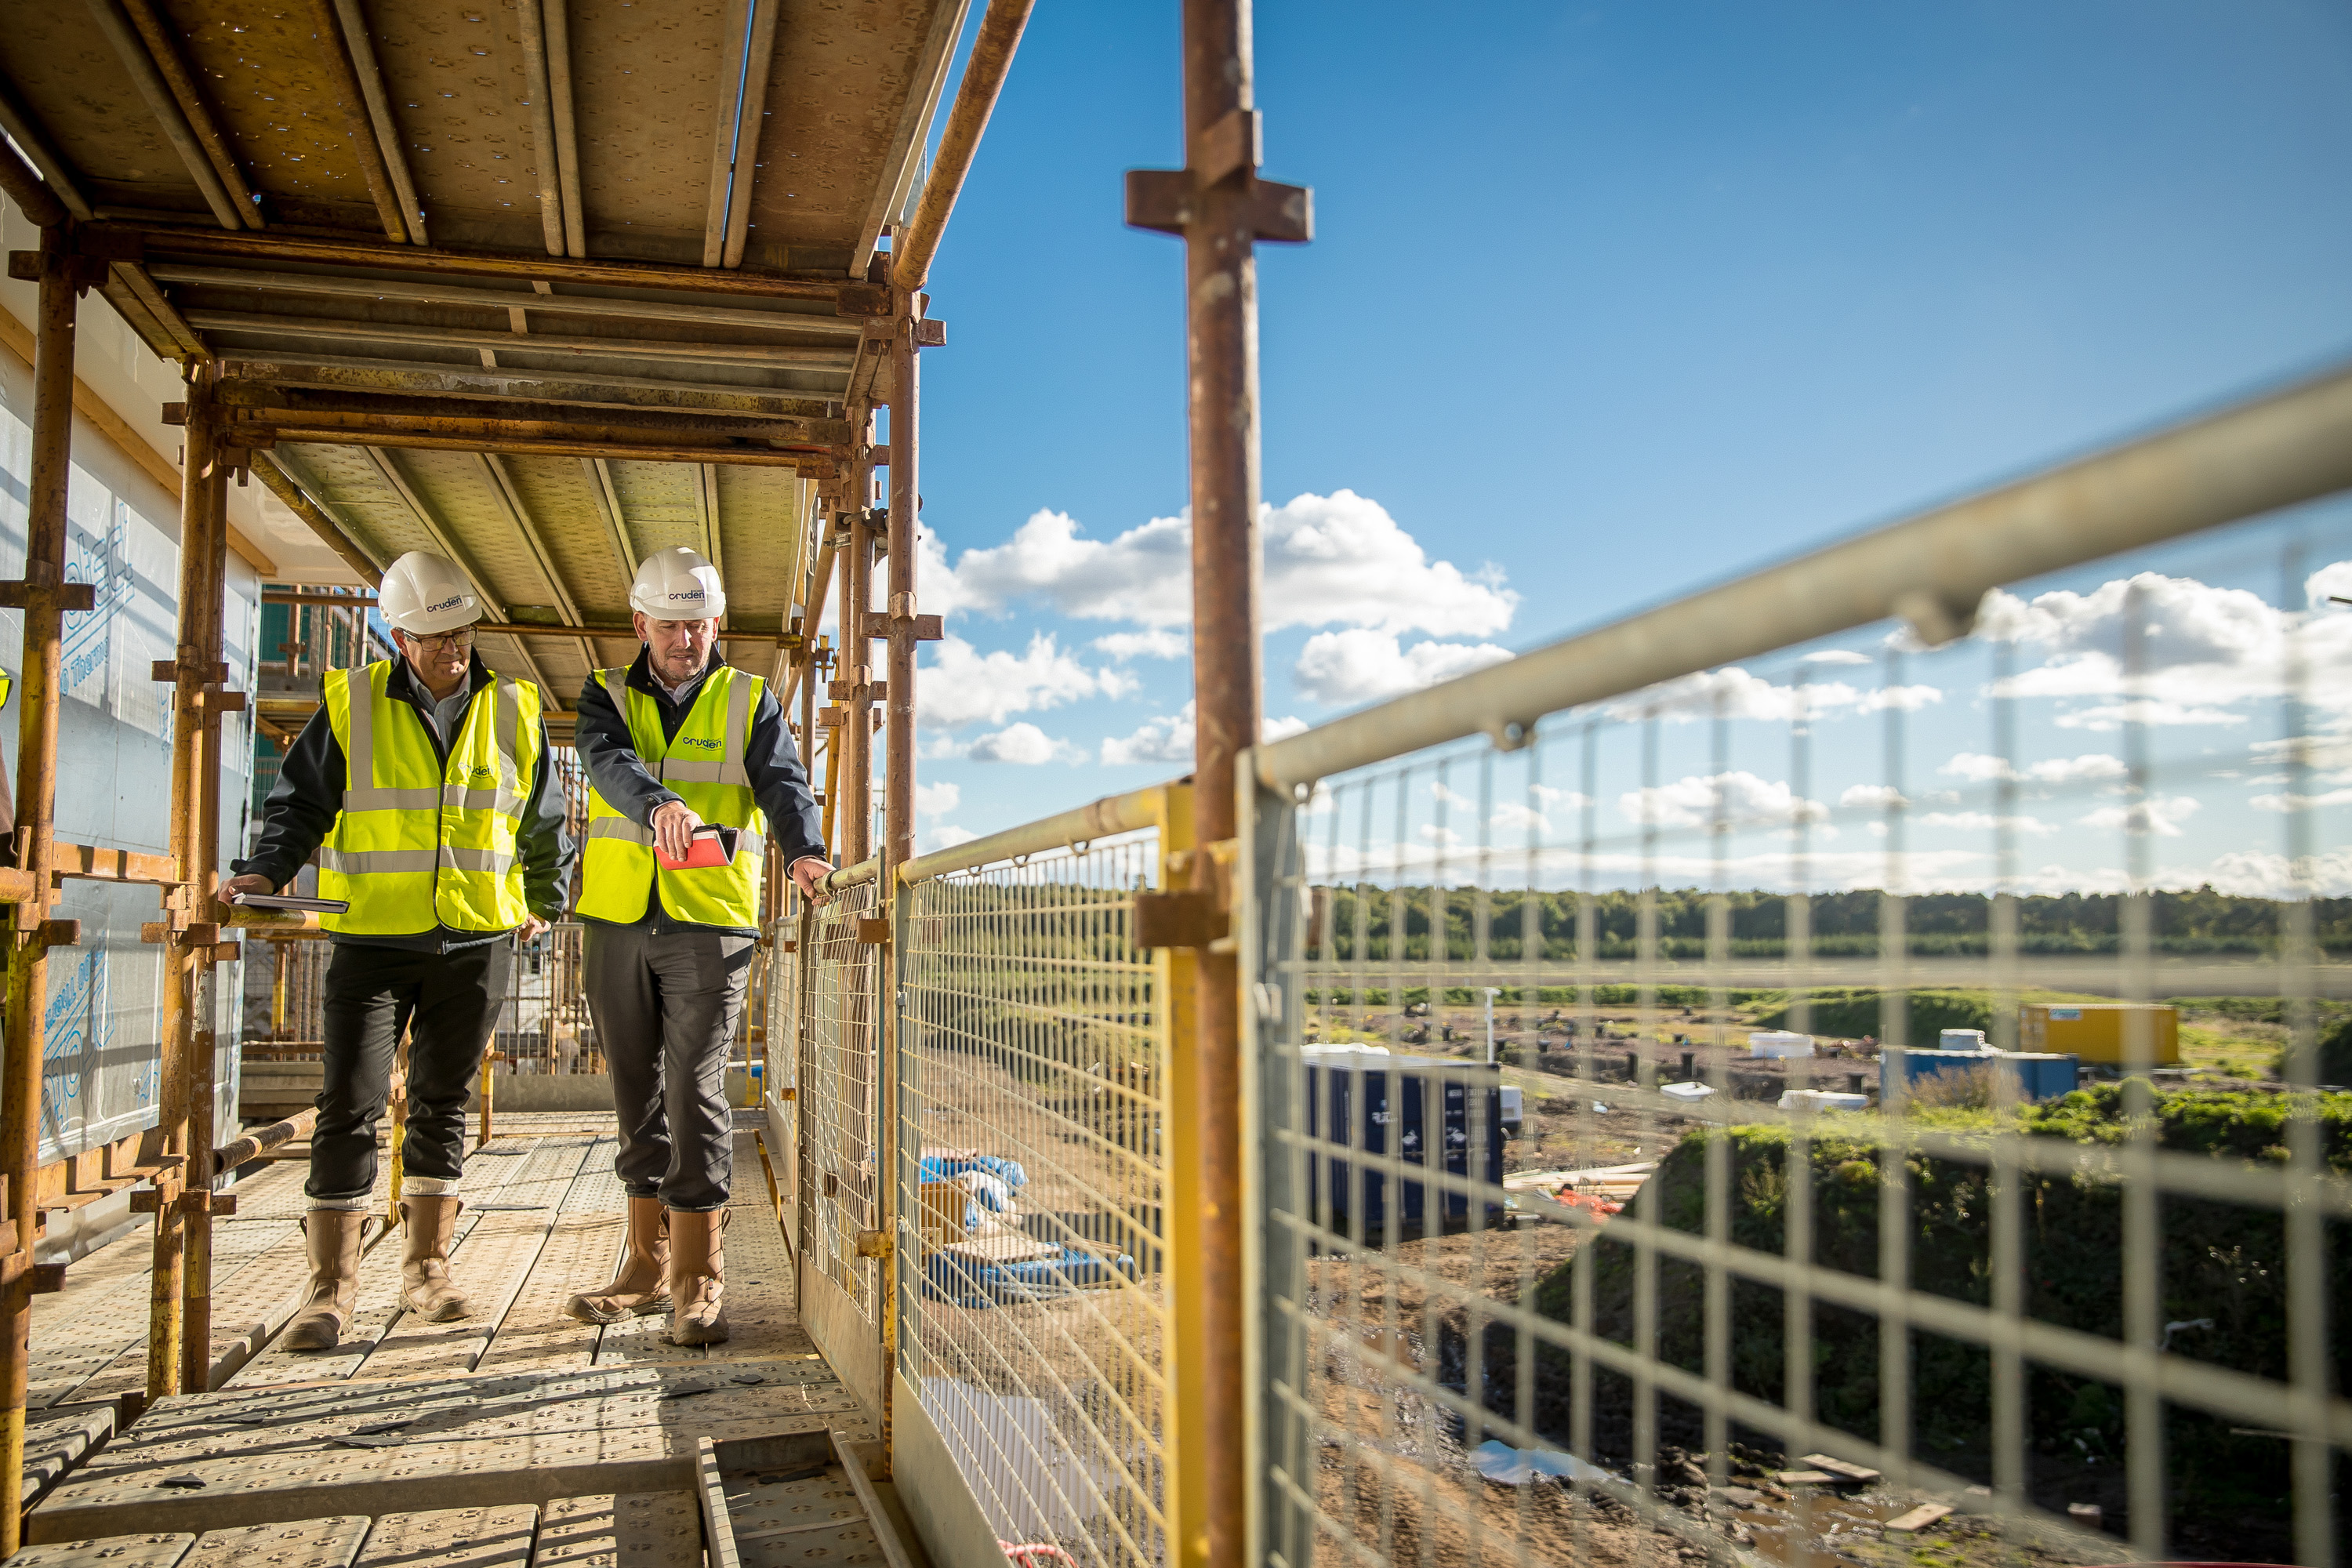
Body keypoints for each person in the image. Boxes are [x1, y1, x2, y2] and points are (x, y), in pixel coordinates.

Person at [226, 552, 575, 1350]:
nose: (451, 647)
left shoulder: (516, 708)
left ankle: (426, 1267)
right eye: (431, 635)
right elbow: (301, 803)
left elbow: (543, 825)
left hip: (477, 937)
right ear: (397, 634)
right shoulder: (351, 704)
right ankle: (330, 1287)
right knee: (349, 1101)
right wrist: (266, 869)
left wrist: (542, 904)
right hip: (375, 937)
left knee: (441, 1102)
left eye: (460, 631)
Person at [564, 547, 831, 1345]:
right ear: (641, 624)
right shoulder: (605, 693)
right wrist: (659, 806)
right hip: (616, 919)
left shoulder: (748, 699)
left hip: (708, 922)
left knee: (694, 1089)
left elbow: (783, 782)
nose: (686, 638)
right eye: (671, 624)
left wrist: (808, 847)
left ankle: (697, 1278)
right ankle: (643, 1267)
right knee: (635, 1096)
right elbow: (606, 763)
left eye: (700, 623)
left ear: (719, 622)